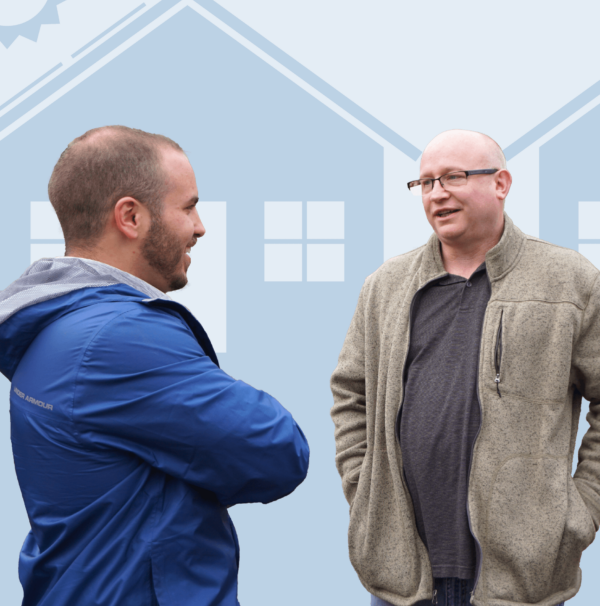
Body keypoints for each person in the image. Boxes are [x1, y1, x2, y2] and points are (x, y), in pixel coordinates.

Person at [1, 126, 309, 606]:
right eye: (188, 207)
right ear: (130, 216)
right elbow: (278, 452)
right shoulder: (122, 337)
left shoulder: (53, 325)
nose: (200, 226)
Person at [330, 129, 599, 606]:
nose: (437, 193)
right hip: (403, 575)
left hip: (521, 579)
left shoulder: (570, 281)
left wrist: (581, 509)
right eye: (425, 183)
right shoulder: (385, 286)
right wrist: (364, 487)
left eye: (453, 177)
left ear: (501, 183)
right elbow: (351, 393)